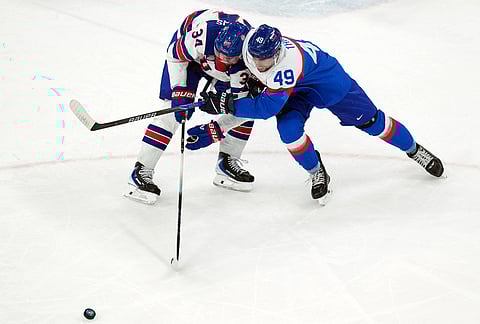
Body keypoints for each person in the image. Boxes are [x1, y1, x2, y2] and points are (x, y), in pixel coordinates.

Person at [191, 24, 445, 204]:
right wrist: (222, 99)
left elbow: (266, 109)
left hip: (327, 83)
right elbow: (238, 85)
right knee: (289, 132)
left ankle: (414, 149)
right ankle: (316, 172)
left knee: (373, 122)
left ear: (277, 53)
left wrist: (224, 105)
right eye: (255, 59)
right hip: (292, 90)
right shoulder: (251, 47)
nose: (258, 65)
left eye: (264, 61)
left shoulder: (285, 66)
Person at [125, 10, 256, 204]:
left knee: (244, 107)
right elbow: (174, 55)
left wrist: (216, 127)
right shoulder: (203, 35)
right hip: (190, 60)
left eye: (229, 58)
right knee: (172, 111)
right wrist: (180, 90)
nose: (222, 60)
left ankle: (227, 163)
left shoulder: (249, 58)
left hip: (230, 71)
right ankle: (141, 171)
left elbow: (244, 107)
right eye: (220, 54)